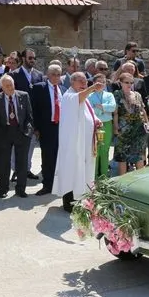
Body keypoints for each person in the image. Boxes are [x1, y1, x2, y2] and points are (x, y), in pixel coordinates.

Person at [53, 73, 104, 212]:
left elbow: (88, 114)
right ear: (72, 82)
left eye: (85, 81)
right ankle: (70, 202)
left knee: (85, 170)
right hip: (73, 145)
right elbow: (78, 99)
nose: (84, 83)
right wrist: (93, 88)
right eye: (80, 81)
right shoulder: (69, 96)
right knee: (73, 170)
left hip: (86, 143)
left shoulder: (85, 98)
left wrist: (96, 121)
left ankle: (83, 198)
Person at [0, 75, 34, 199]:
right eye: (7, 86)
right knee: (3, 163)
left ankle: (20, 189)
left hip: (21, 132)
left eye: (11, 85)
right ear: (2, 87)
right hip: (4, 133)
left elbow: (29, 116)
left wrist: (28, 133)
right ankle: (3, 189)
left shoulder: (23, 96)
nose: (10, 88)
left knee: (22, 163)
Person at [31, 65, 65, 196]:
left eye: (58, 74)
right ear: (48, 75)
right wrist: (36, 128)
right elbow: (34, 108)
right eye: (54, 74)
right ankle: (47, 185)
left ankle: (59, 184)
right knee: (48, 157)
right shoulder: (40, 87)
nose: (56, 77)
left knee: (59, 157)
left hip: (61, 127)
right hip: (47, 128)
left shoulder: (63, 89)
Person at [88, 73, 116, 179]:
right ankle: (93, 176)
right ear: (94, 83)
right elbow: (90, 110)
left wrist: (100, 107)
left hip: (107, 124)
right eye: (99, 82)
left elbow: (113, 107)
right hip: (94, 125)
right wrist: (103, 109)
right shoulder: (89, 95)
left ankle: (104, 175)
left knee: (105, 150)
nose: (101, 84)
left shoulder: (109, 95)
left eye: (103, 82)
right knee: (95, 150)